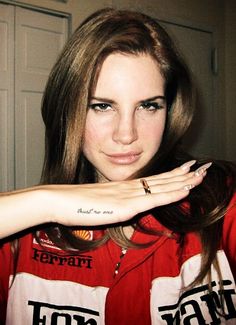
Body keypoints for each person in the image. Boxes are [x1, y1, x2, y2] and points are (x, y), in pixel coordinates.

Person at [0, 7, 235, 325]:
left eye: (149, 105)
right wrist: (44, 202)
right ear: (68, 110)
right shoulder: (21, 236)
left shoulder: (220, 201)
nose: (127, 134)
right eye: (101, 106)